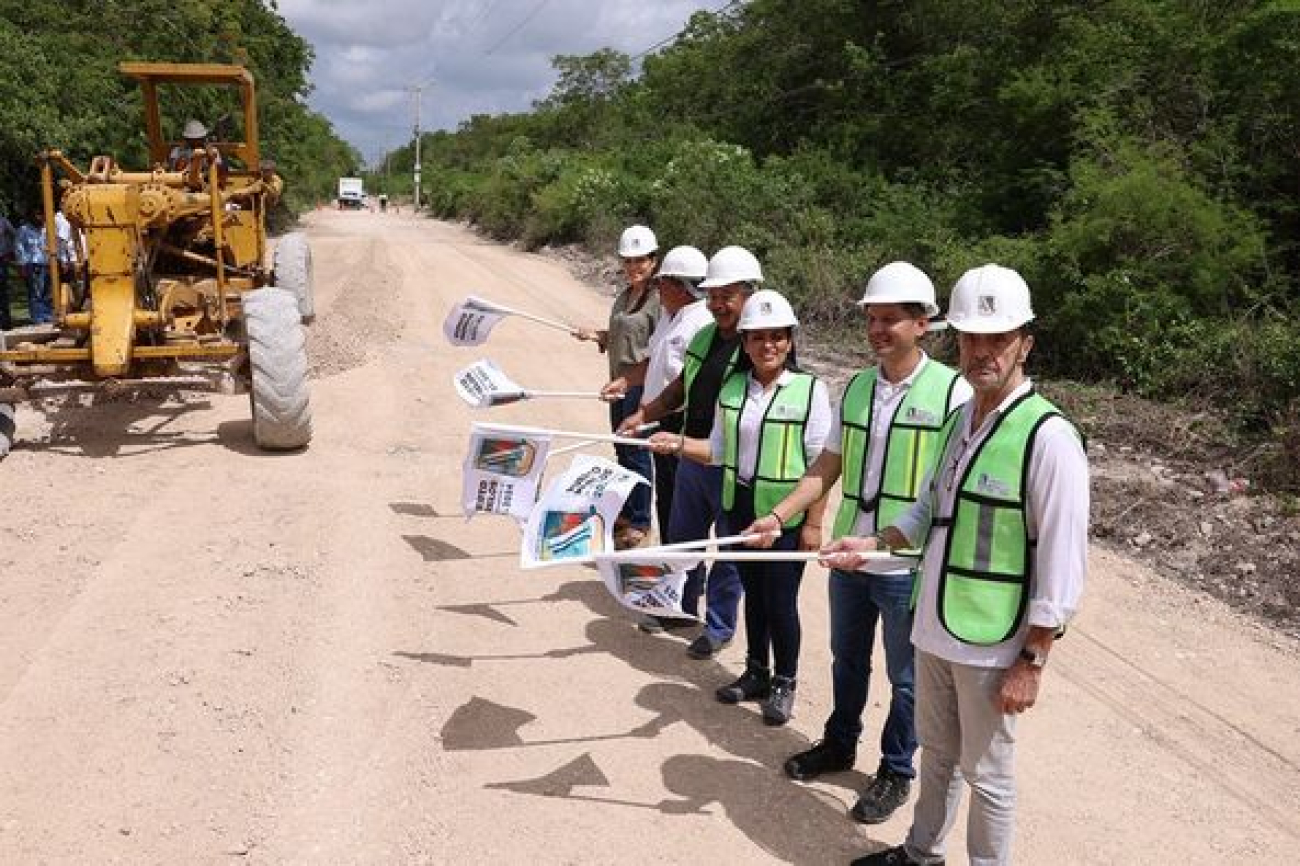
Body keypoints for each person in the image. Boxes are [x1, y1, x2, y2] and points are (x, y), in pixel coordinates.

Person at [827, 264, 1090, 866]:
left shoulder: (1048, 437)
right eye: (972, 337)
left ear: (1025, 341)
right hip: (935, 625)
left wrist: (1034, 659)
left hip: (995, 641)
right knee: (937, 753)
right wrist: (865, 545)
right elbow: (923, 514)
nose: (982, 352)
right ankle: (921, 854)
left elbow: (1062, 563)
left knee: (989, 775)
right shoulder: (959, 421)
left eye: (997, 339)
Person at [743, 262, 972, 823]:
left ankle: (896, 770)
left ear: (924, 324)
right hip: (850, 557)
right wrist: (779, 515)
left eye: (889, 319)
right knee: (847, 660)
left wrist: (893, 542)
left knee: (907, 679)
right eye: (871, 319)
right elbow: (827, 464)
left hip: (905, 564)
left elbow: (952, 487)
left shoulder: (954, 394)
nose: (876, 330)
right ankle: (839, 743)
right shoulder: (858, 387)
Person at [648, 289, 832, 725]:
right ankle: (756, 672)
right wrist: (675, 443)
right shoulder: (732, 389)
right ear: (745, 343)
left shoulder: (810, 391)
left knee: (781, 601)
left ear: (790, 340)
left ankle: (785, 681)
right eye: (757, 338)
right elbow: (716, 450)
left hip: (784, 515)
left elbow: (819, 465)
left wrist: (812, 524)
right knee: (754, 596)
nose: (768, 345)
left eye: (777, 336)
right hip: (742, 508)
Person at [617, 246, 761, 659]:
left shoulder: (760, 348)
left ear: (749, 295)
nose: (718, 304)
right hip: (692, 457)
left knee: (730, 552)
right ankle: (679, 606)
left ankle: (719, 626)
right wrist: (645, 412)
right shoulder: (704, 336)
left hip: (734, 465)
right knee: (684, 540)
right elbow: (680, 388)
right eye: (713, 295)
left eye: (727, 296)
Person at [576, 224, 661, 549]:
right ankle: (628, 509)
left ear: (654, 261)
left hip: (641, 385)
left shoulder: (657, 300)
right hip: (618, 384)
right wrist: (598, 336)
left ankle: (641, 520)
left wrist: (631, 379)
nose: (634, 267)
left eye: (641, 260)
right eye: (628, 260)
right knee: (622, 448)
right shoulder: (626, 296)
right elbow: (623, 336)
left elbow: (659, 348)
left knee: (638, 451)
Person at [637, 245, 712, 543]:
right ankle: (668, 560)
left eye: (662, 283)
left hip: (681, 426)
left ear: (679, 286)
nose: (657, 289)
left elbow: (685, 386)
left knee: (682, 505)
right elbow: (653, 360)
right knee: (666, 498)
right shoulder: (672, 316)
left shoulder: (700, 323)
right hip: (661, 422)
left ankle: (682, 571)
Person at [15, 209, 51, 325]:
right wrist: (22, 265)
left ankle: (47, 314)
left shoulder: (46, 229)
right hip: (32, 264)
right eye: (38, 214)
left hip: (45, 263)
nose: (40, 217)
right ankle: (37, 317)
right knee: (35, 292)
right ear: (31, 216)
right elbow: (19, 248)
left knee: (46, 291)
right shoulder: (24, 230)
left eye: (41, 215)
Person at [0, 207, 15, 330]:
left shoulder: (3, 221)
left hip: (1, 259)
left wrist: (9, 251)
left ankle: (6, 322)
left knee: (3, 291)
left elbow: (14, 234)